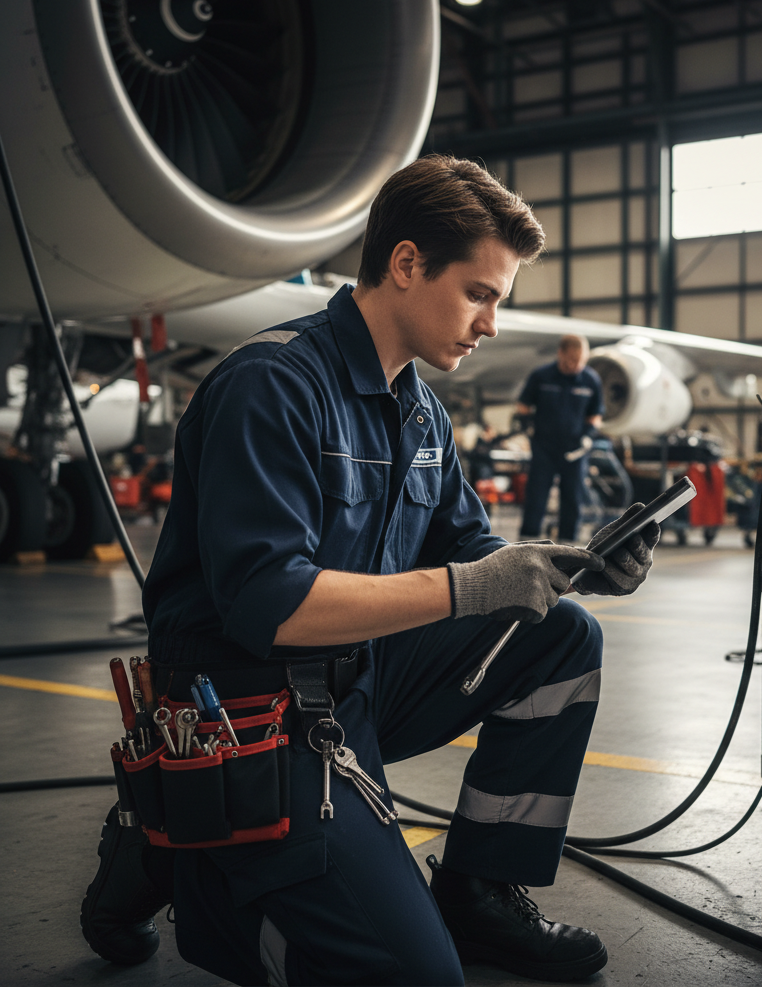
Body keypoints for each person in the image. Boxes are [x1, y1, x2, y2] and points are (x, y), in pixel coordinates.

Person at [80, 156, 660, 987]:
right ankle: (187, 862)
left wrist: (569, 569)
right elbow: (267, 608)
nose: (492, 323)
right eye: (480, 293)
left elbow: (471, 552)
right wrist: (477, 585)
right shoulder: (271, 385)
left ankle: (476, 891)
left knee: (560, 635)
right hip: (248, 706)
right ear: (406, 264)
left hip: (357, 684)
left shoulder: (419, 410)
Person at [517, 335, 604, 543]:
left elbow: (596, 416)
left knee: (572, 499)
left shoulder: (591, 380)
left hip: (575, 451)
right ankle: (527, 542)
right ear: (560, 354)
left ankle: (568, 545)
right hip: (544, 448)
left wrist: (588, 436)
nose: (576, 365)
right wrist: (527, 428)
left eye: (581, 361)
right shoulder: (541, 376)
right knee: (536, 497)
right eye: (571, 360)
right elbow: (523, 406)